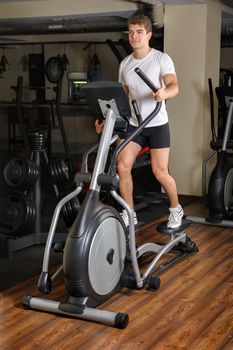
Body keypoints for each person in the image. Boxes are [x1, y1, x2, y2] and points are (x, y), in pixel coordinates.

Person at [96, 14, 183, 229]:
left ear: (149, 35)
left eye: (139, 32)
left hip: (157, 124)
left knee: (159, 172)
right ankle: (129, 213)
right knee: (122, 166)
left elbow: (174, 86)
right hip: (136, 124)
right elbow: (120, 99)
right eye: (131, 32)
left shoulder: (161, 59)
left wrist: (164, 93)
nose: (134, 36)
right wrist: (105, 120)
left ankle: (176, 209)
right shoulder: (125, 64)